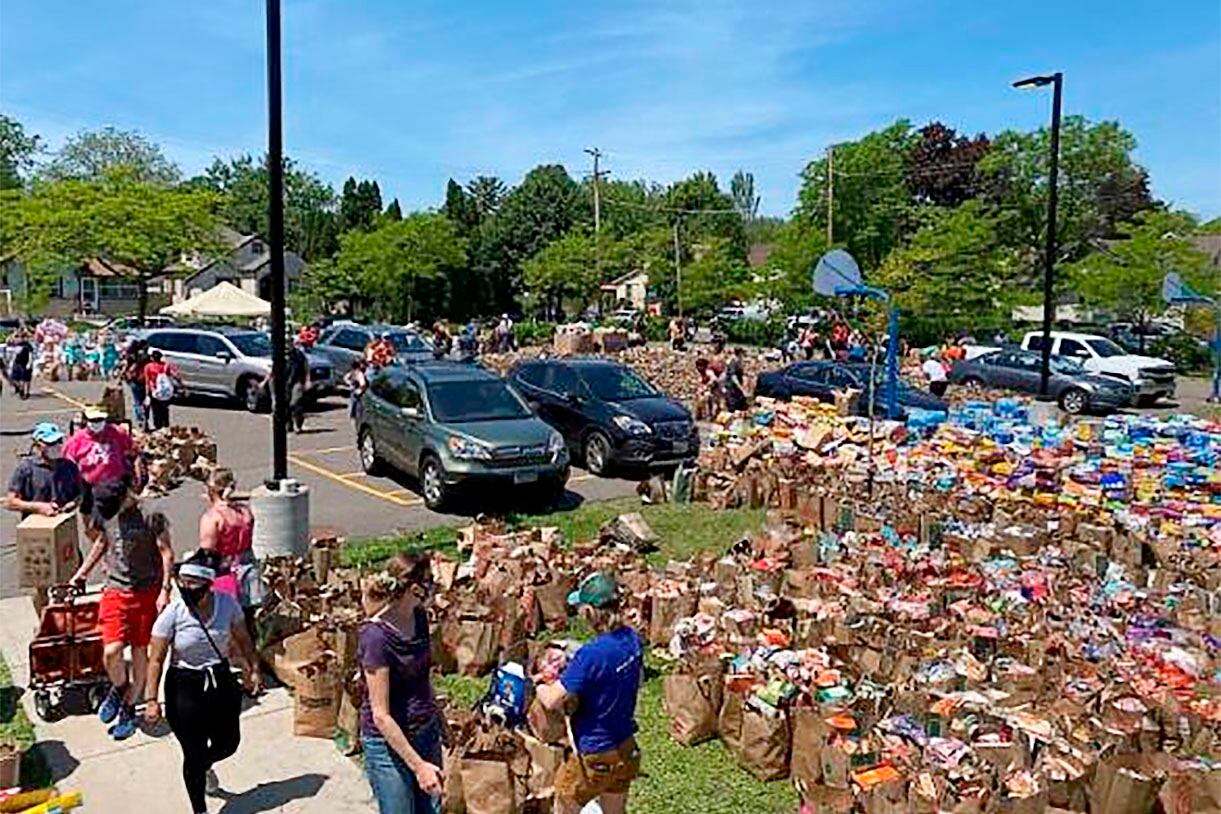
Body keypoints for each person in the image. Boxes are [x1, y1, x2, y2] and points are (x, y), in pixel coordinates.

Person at [145, 549, 260, 814]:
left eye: (192, 584)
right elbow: (156, 660)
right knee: (193, 753)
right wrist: (151, 699)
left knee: (228, 744)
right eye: (182, 583)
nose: (186, 589)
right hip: (184, 685)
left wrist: (253, 669)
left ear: (208, 585)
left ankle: (204, 765)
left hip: (219, 679)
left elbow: (244, 640)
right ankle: (200, 808)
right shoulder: (173, 614)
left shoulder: (227, 605)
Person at [71, 480, 174, 740]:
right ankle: (119, 687)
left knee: (140, 651)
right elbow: (101, 543)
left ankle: (129, 706)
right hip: (116, 590)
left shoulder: (152, 515)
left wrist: (165, 589)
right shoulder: (107, 511)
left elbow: (166, 553)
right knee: (112, 650)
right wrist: (82, 574)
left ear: (126, 496)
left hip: (146, 592)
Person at [535, 572, 643, 814]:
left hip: (595, 753)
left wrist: (538, 683)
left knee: (564, 804)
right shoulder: (632, 638)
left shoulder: (591, 654)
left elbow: (552, 700)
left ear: (589, 612)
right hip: (625, 746)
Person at [357, 552, 443, 814]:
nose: (434, 586)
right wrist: (419, 766)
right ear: (414, 588)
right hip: (386, 743)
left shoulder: (419, 617)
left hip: (425, 730)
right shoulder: (375, 637)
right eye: (429, 580)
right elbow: (381, 715)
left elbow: (421, 678)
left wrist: (439, 717)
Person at [5, 422, 89, 614]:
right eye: (50, 443)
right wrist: (38, 507)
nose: (55, 446)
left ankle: (62, 618)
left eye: (58, 442)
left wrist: (72, 504)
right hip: (37, 536)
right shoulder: (26, 468)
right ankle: (44, 620)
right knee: (40, 585)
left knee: (67, 580)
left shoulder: (69, 467)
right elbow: (11, 501)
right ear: (38, 444)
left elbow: (79, 493)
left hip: (63, 531)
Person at [198, 469, 259, 635]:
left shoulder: (213, 518)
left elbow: (207, 553)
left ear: (211, 490)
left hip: (224, 572)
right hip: (248, 568)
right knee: (247, 618)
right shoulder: (245, 512)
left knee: (224, 621)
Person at [64, 407, 138, 487]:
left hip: (116, 483)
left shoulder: (118, 433)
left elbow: (132, 451)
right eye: (93, 420)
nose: (97, 423)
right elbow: (67, 465)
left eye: (100, 419)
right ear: (86, 421)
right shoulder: (75, 441)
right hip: (88, 485)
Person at [143, 349, 181, 430]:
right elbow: (175, 376)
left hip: (154, 391)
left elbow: (147, 381)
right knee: (164, 408)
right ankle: (165, 424)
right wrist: (181, 385)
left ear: (152, 358)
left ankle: (158, 425)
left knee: (156, 409)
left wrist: (147, 394)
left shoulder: (148, 367)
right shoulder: (165, 366)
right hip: (165, 392)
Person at [122, 338, 150, 428]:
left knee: (137, 401)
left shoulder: (131, 356)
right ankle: (145, 417)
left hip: (134, 380)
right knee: (145, 400)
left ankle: (140, 419)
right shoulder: (147, 357)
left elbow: (125, 368)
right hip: (145, 380)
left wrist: (123, 375)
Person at [8, 330, 34, 399]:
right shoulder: (16, 345)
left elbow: (30, 355)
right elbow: (14, 355)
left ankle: (25, 392)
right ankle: (19, 388)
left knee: (26, 379)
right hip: (17, 363)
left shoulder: (27, 345)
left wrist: (29, 363)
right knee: (14, 378)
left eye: (18, 337)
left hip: (25, 363)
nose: (17, 339)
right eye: (16, 337)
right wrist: (11, 363)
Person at [724, 346, 748, 412]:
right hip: (732, 389)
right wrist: (742, 389)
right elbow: (733, 377)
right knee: (733, 408)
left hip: (736, 389)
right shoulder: (733, 362)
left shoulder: (738, 362)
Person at [345, 359, 370, 424]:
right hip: (358, 392)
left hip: (356, 391)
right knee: (356, 405)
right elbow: (363, 384)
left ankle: (354, 418)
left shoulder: (355, 373)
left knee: (355, 405)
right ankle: (355, 418)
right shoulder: (359, 373)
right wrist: (352, 384)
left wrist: (351, 384)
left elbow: (346, 378)